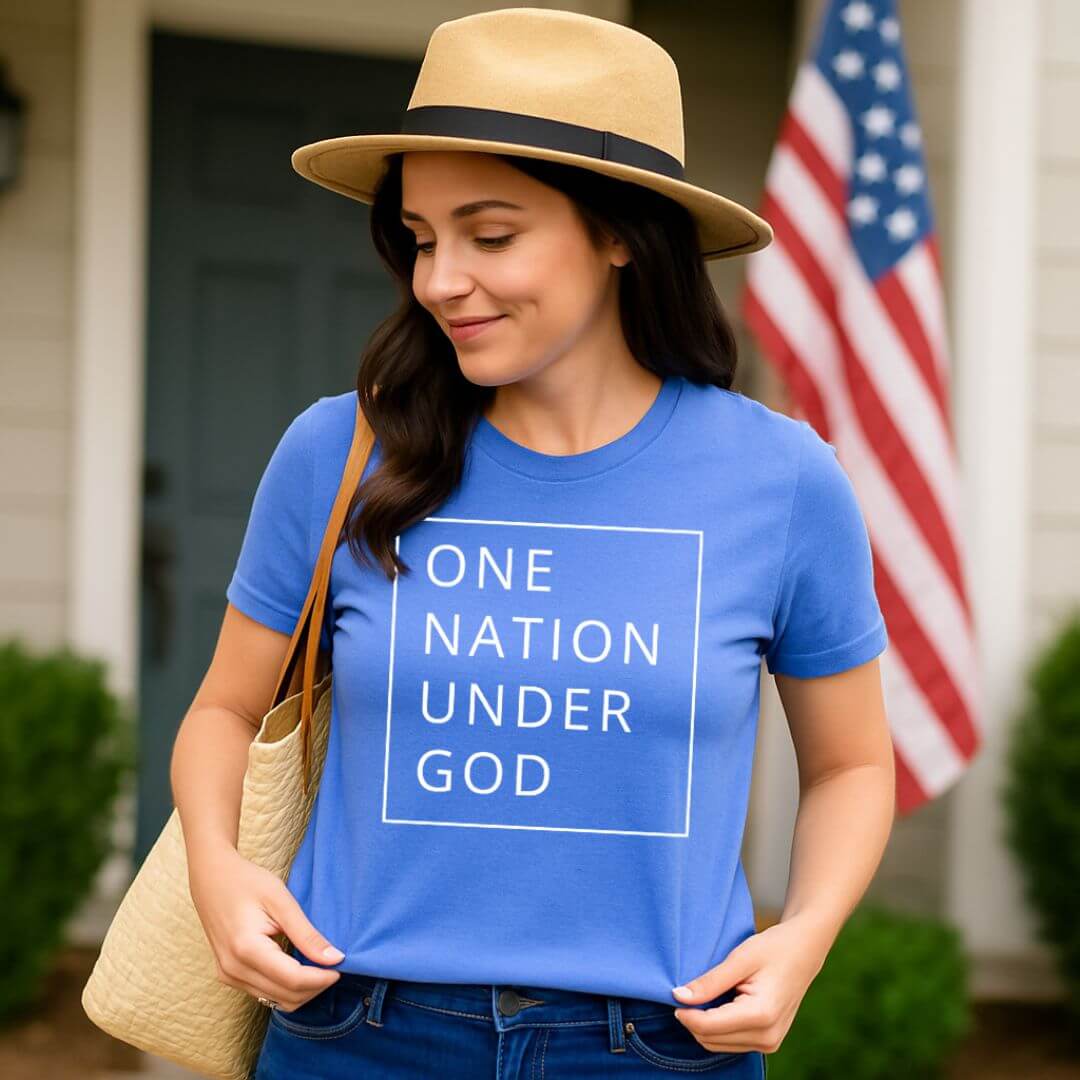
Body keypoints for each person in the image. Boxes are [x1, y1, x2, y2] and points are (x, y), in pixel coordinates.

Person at [170, 9, 893, 1078]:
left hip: (655, 1046)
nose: (438, 280)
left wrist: (805, 940)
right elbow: (223, 712)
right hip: (357, 1034)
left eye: (490, 235)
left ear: (619, 232)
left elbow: (852, 764)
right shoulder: (340, 450)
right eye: (420, 238)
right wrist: (217, 871)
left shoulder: (781, 481)